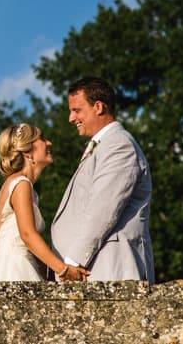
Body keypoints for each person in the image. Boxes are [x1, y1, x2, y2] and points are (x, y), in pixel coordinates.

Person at [49, 76, 155, 282]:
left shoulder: (118, 145)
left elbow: (103, 209)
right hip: (95, 266)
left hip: (108, 265)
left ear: (98, 107)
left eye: (76, 110)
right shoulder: (104, 144)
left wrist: (71, 265)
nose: (71, 118)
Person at [0, 123, 88, 282]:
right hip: (15, 269)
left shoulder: (14, 184)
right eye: (42, 139)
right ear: (27, 152)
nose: (49, 143)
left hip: (14, 265)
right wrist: (63, 270)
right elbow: (27, 235)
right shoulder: (21, 184)